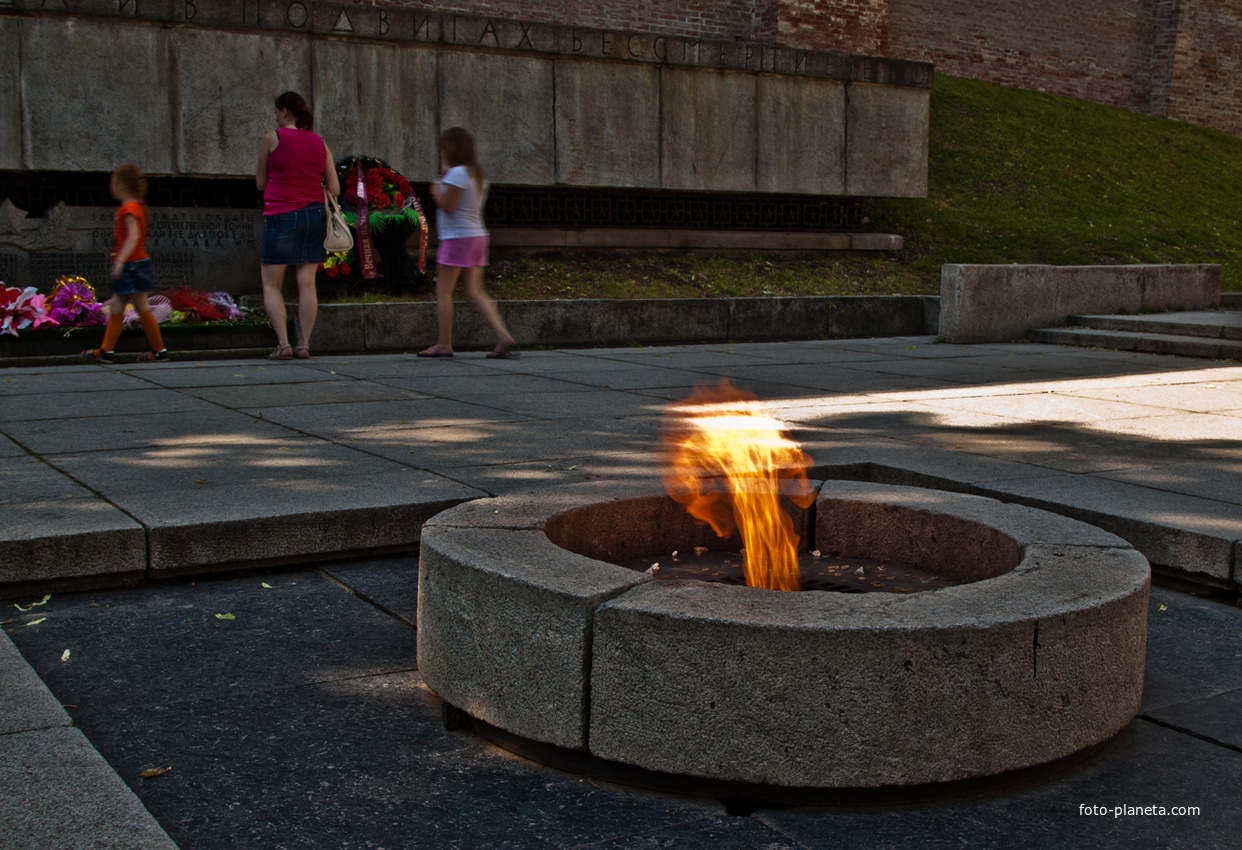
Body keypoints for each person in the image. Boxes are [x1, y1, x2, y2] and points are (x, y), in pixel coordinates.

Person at [256, 91, 340, 360]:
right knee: (307, 283)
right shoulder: (320, 142)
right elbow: (334, 188)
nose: (276, 117)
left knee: (272, 284)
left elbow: (261, 183)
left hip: (281, 214)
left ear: (283, 111)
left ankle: (283, 343)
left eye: (276, 112)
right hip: (314, 215)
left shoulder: (273, 138)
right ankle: (304, 344)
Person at [418, 127, 516, 359]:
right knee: (474, 291)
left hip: (457, 238)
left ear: (452, 150)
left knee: (443, 291)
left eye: (445, 149)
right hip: (477, 236)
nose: (443, 153)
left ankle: (444, 344)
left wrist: (436, 190)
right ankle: (502, 335)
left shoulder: (456, 174)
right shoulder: (477, 174)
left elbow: (448, 206)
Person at [81, 164, 169, 363]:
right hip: (138, 263)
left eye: (112, 181)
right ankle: (157, 350)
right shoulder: (135, 207)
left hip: (132, 265)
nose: (110, 186)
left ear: (121, 184)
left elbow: (134, 236)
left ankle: (109, 350)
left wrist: (120, 261)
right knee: (130, 306)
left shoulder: (128, 208)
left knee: (123, 305)